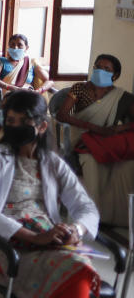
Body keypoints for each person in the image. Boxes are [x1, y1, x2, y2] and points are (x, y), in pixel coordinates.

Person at [0, 90, 100, 298]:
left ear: (41, 127)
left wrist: (77, 229)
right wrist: (32, 237)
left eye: (22, 122)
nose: (14, 127)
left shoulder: (51, 162)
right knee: (78, 274)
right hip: (3, 240)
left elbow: (86, 207)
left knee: (78, 274)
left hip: (46, 236)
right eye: (10, 121)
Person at [59, 54, 134, 226]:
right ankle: (92, 216)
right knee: (90, 160)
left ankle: (116, 216)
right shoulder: (80, 89)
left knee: (127, 165)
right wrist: (94, 127)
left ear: (115, 76)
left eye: (106, 69)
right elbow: (62, 114)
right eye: (97, 67)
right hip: (80, 138)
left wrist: (120, 129)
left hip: (106, 140)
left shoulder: (122, 97)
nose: (100, 71)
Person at [0, 33, 54, 108]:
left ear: (26, 48)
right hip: (8, 95)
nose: (15, 48)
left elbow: (50, 80)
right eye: (12, 44)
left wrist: (38, 91)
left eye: (20, 45)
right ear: (8, 47)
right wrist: (10, 87)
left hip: (29, 95)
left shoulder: (31, 63)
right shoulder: (1, 61)